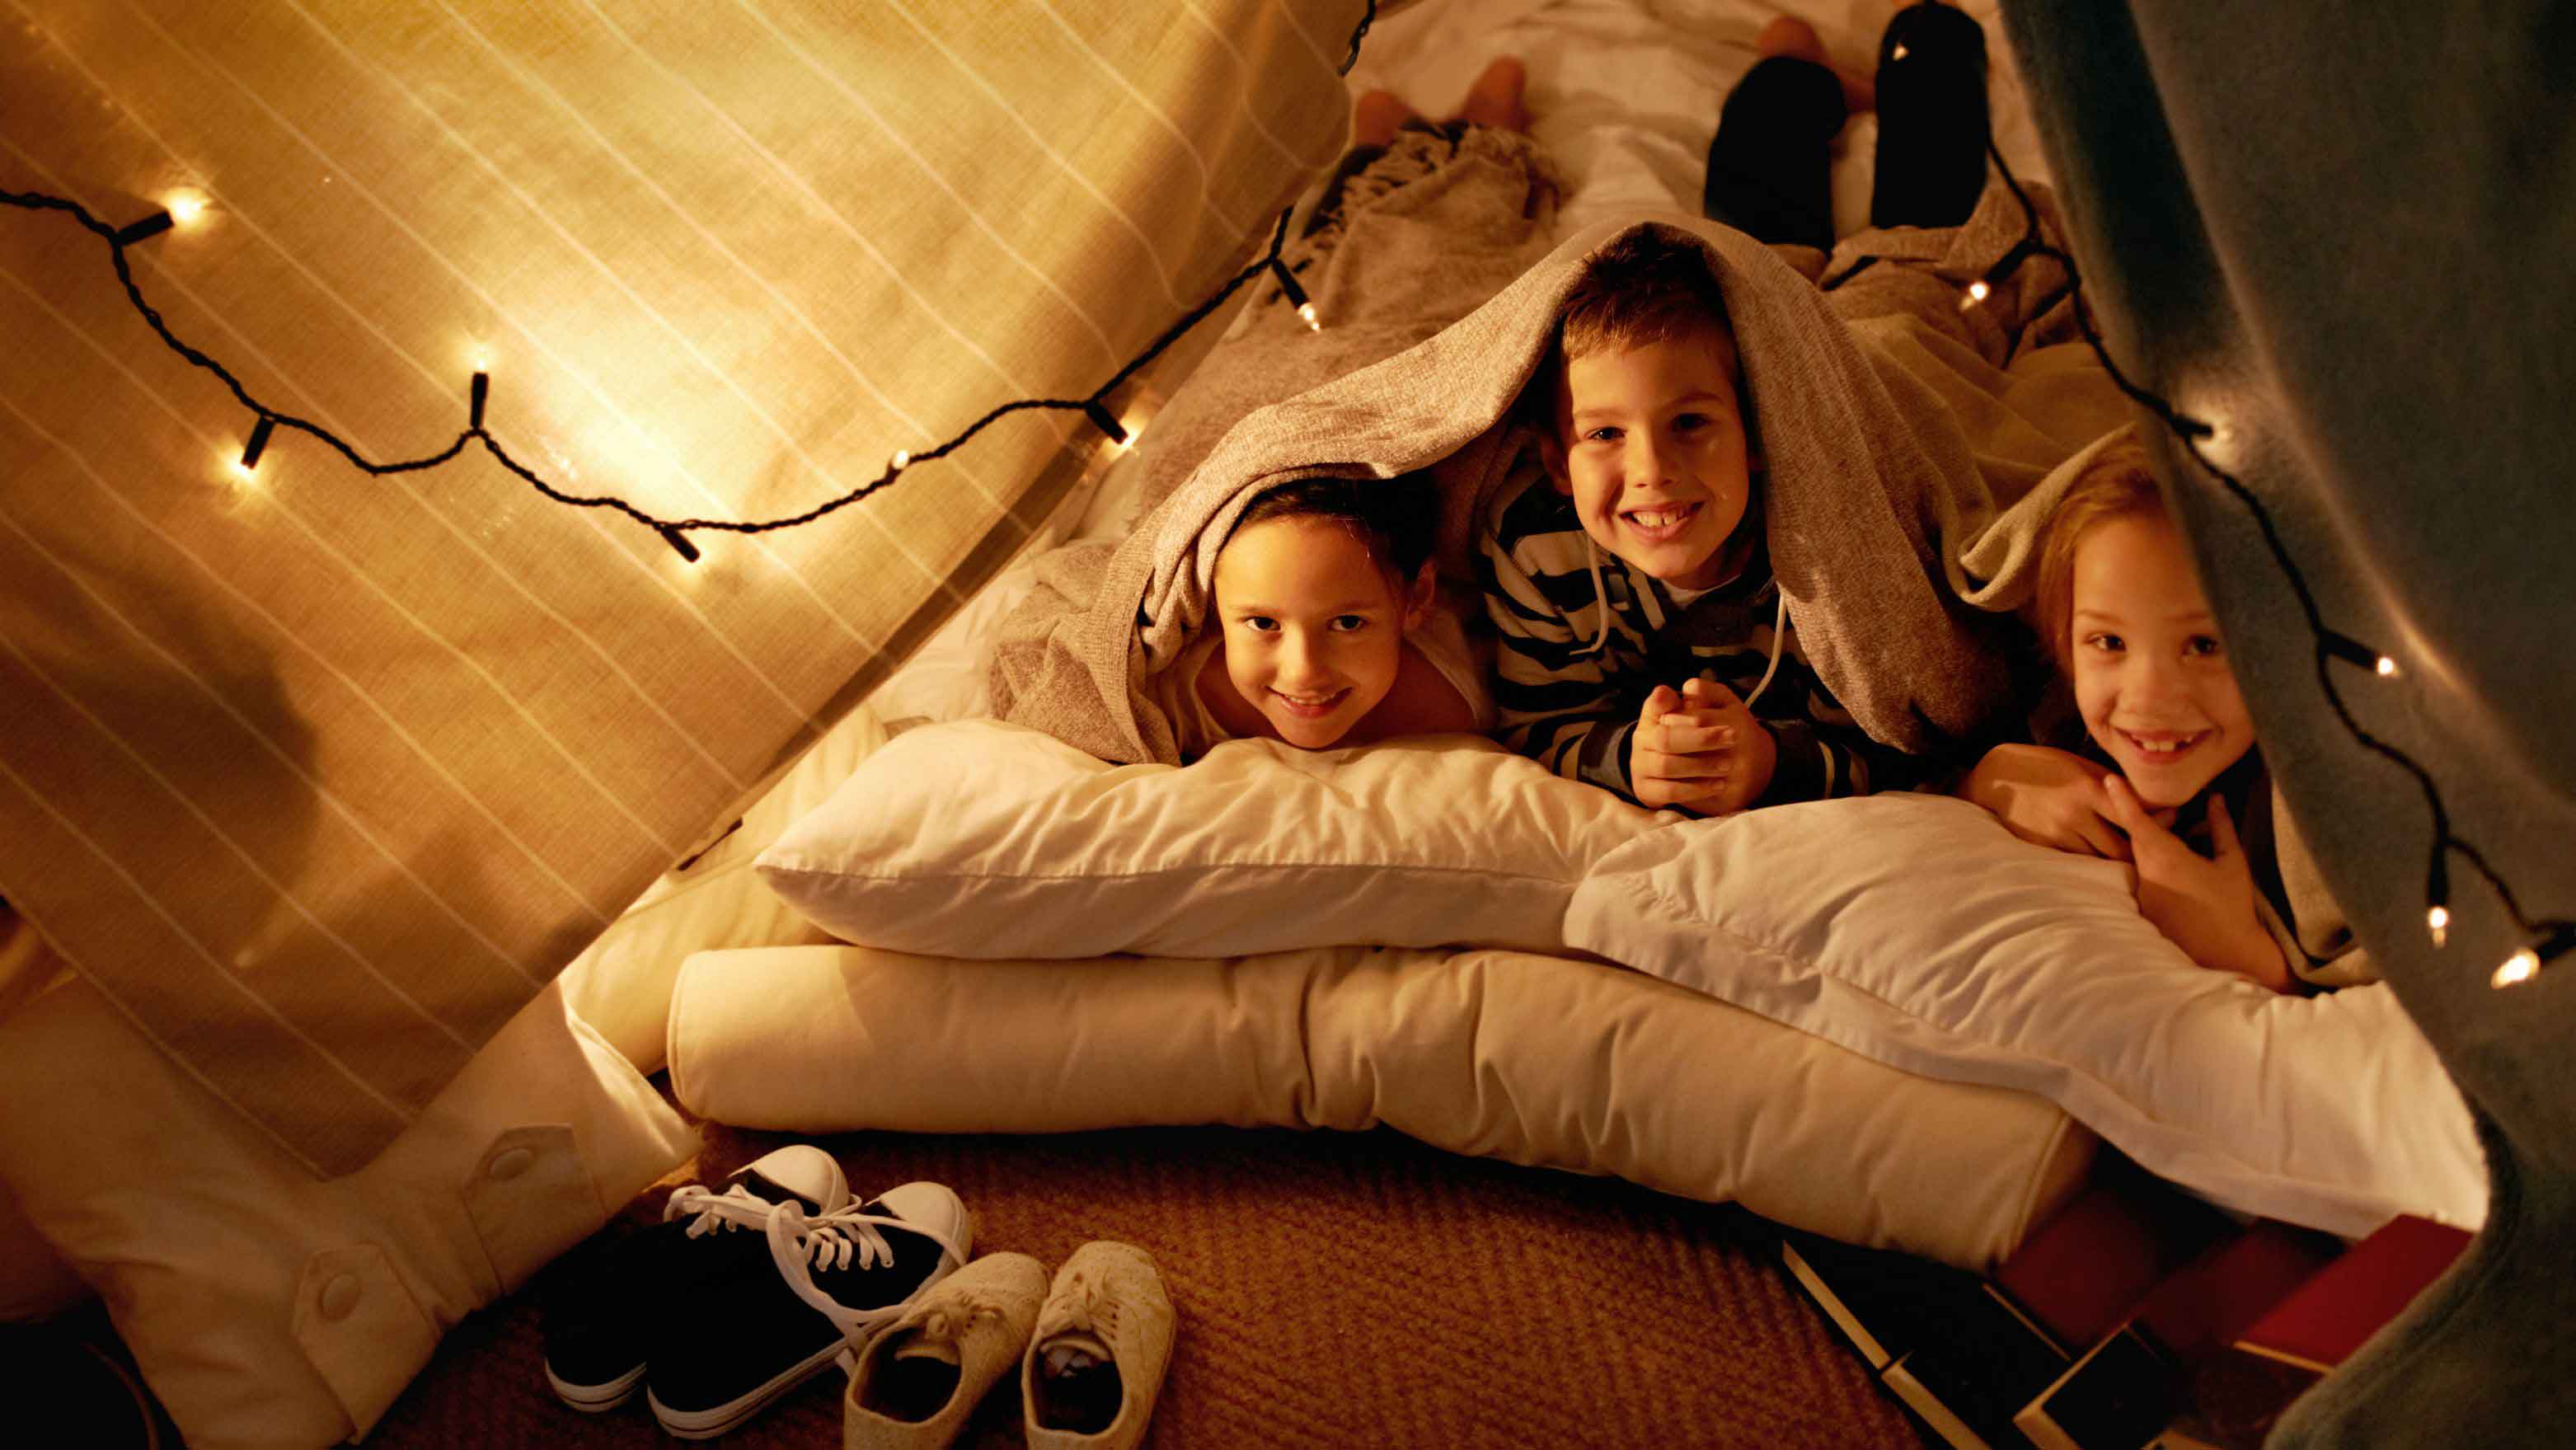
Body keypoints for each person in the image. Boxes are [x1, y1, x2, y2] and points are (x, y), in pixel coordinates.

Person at [1476, 227, 1927, 813]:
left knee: (1909, 257)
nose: (1652, 471)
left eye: (1688, 422)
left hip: (1895, 333)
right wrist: (1627, 761)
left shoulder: (1826, 547)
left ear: (1758, 435)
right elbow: (1539, 726)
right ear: (1557, 463)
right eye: (1604, 433)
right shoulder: (1534, 543)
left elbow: (1902, 744)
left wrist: (1769, 762)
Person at [1961, 432, 2343, 992]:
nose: (2147, 700)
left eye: (2204, 645)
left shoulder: (2335, 791)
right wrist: (1987, 779)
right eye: (2108, 642)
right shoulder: (2050, 710)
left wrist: (2245, 958)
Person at [1155, 474, 1487, 758]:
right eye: (1263, 623)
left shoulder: (1464, 698)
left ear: (1416, 597)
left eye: (1347, 623)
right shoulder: (1174, 696)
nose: (1303, 672)